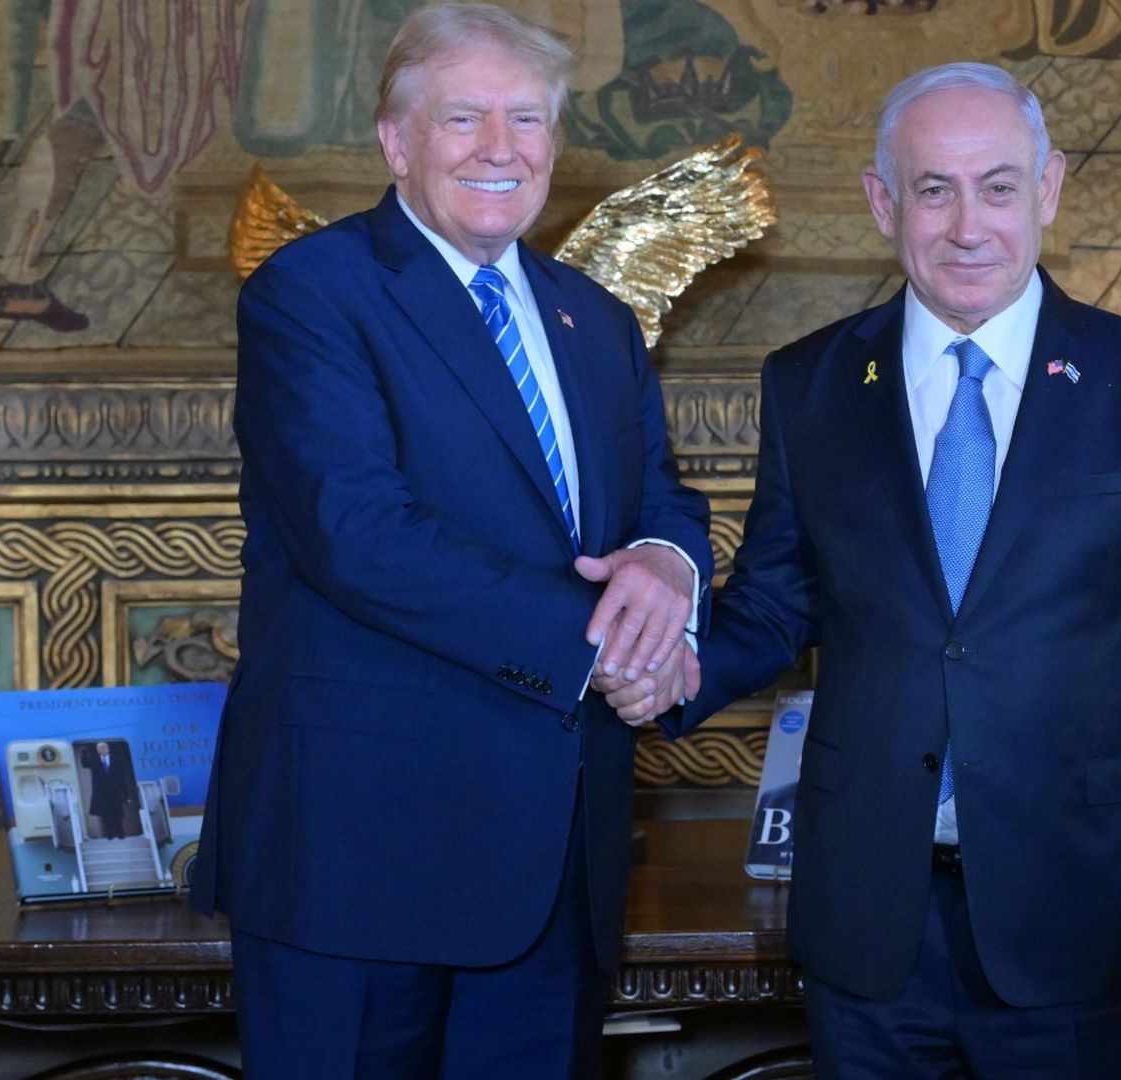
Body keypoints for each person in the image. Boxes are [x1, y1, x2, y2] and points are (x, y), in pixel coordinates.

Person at [604, 61, 1121, 1077]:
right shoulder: (811, 383)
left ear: (1046, 191)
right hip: (870, 926)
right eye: (934, 190)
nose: (969, 225)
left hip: (1081, 915)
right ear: (884, 202)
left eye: (999, 187)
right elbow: (781, 604)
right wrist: (672, 666)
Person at [188, 5, 712, 1077]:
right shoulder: (314, 293)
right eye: (463, 116)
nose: (500, 147)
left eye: (526, 119)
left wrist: (668, 567)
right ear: (395, 141)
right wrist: (615, 644)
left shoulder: (593, 319)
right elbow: (359, 536)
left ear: (555, 147)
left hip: (555, 867)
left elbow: (658, 496)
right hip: (363, 858)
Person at [83, 740, 135, 839]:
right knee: (105, 815)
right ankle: (110, 835)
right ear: (98, 751)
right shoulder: (95, 761)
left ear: (108, 749)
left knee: (118, 814)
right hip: (102, 793)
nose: (102, 750)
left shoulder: (116, 760)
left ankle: (120, 833)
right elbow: (85, 764)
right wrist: (84, 754)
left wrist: (126, 794)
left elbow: (122, 778)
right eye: (99, 749)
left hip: (116, 792)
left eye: (103, 748)